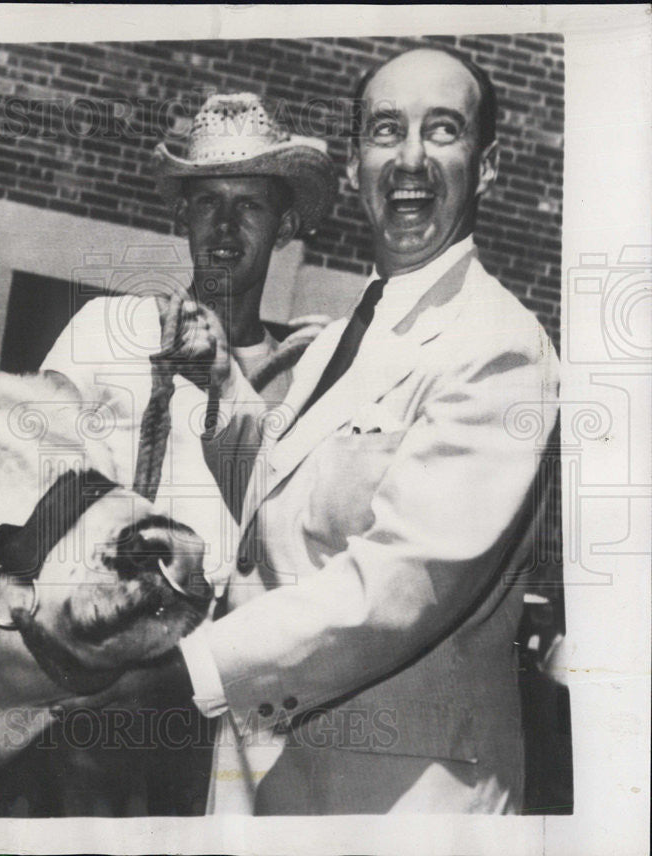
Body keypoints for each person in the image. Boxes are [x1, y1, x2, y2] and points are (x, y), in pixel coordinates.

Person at [145, 46, 560, 814]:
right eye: (385, 131)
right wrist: (220, 383)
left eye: (442, 132)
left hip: (398, 806)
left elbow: (397, 587)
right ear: (356, 164)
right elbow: (282, 507)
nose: (409, 161)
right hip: (271, 784)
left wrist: (183, 674)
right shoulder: (343, 336)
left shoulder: (500, 346)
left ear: (488, 164)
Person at [37, 93, 335, 816]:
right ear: (184, 215)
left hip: (225, 701)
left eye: (251, 206)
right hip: (92, 685)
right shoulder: (108, 328)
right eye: (209, 204)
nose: (226, 226)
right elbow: (34, 483)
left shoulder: (314, 372)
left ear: (286, 222)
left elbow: (307, 540)